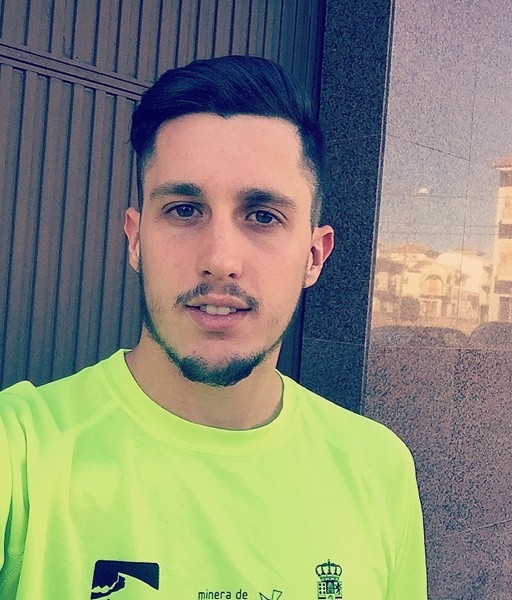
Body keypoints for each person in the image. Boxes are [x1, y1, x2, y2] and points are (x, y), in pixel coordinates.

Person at [0, 55, 426, 599]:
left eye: (263, 216)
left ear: (314, 255)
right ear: (136, 239)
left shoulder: (378, 470)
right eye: (184, 210)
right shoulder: (22, 453)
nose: (220, 260)